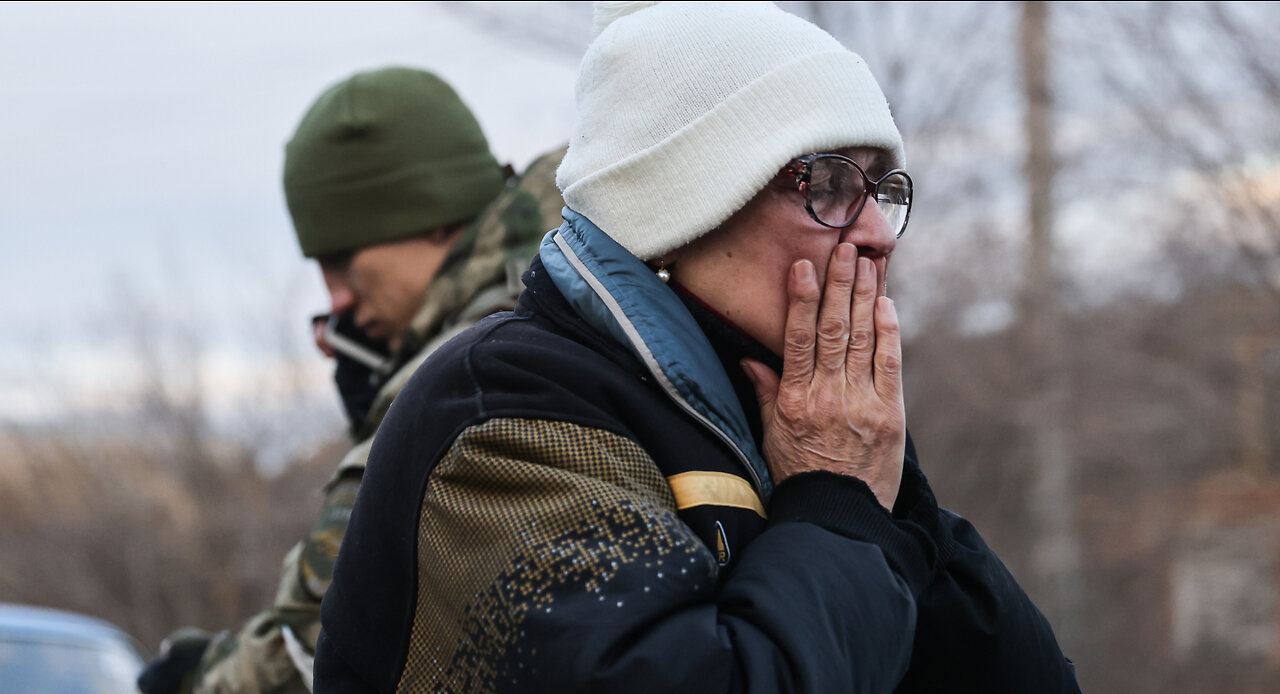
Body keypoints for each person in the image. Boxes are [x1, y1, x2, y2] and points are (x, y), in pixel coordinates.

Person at [316, 4, 1081, 693]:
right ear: (682, 203)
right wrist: (839, 504)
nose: (878, 233)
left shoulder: (785, 414)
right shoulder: (505, 423)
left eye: (883, 188)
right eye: (829, 182)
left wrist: (883, 491)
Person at [137, 67, 566, 694]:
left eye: (341, 262)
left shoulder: (469, 366)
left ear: (429, 216)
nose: (336, 300)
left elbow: (320, 643)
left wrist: (197, 681)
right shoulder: (568, 277)